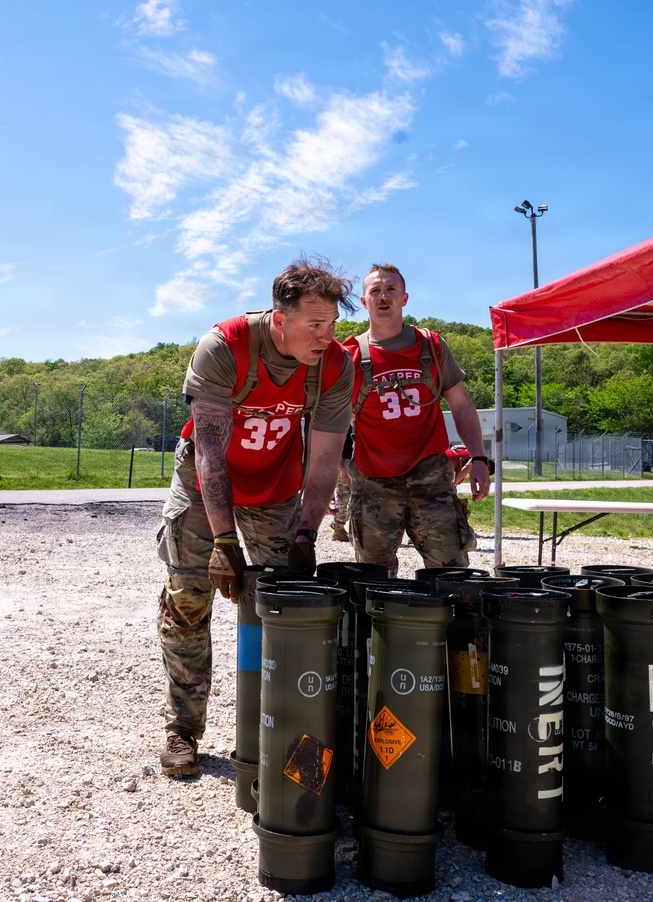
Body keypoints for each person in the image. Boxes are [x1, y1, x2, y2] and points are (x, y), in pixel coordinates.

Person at [155, 258, 355, 775]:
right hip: (205, 486)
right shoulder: (225, 347)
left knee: (285, 605)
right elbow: (210, 452)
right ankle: (183, 729)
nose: (325, 336)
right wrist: (224, 542)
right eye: (315, 324)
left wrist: (308, 532)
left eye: (332, 323)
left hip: (275, 489)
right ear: (280, 318)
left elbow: (326, 458)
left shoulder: (334, 365)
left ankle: (281, 725)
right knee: (187, 602)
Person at [342, 263, 492, 577]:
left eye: (391, 290)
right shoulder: (350, 356)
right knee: (372, 579)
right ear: (363, 301)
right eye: (375, 291)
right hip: (373, 481)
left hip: (431, 478)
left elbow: (462, 405)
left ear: (404, 298)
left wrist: (478, 457)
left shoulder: (432, 347)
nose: (384, 297)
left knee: (451, 573)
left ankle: (453, 627)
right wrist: (336, 468)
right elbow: (331, 420)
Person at [331, 427, 353, 542]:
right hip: (344, 464)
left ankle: (340, 526)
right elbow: (337, 448)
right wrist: (341, 468)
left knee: (350, 498)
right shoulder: (342, 426)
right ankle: (338, 528)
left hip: (349, 463)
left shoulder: (347, 425)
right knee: (343, 498)